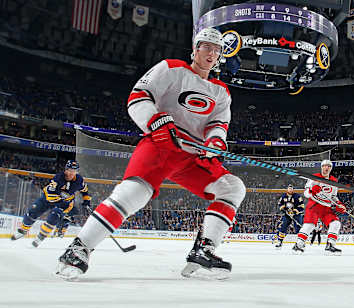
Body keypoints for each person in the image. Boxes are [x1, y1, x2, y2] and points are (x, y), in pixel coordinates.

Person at [55, 27, 246, 280]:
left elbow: (218, 124)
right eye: (206, 47)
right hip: (161, 146)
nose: (211, 53)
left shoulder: (221, 90)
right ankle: (78, 249)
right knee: (134, 192)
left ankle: (203, 252)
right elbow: (139, 96)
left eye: (216, 50)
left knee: (232, 188)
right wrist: (155, 120)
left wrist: (215, 143)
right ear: (195, 49)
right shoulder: (171, 68)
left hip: (192, 156)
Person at [11, 160, 91, 247]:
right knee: (32, 212)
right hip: (48, 198)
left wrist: (86, 202)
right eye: (70, 170)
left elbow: (85, 191)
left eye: (74, 171)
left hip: (64, 203)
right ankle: (23, 230)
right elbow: (50, 194)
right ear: (66, 170)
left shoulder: (79, 180)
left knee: (54, 217)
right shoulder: (58, 178)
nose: (72, 173)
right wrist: (61, 196)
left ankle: (40, 237)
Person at [292, 160, 345, 255]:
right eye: (324, 166)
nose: (326, 168)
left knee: (336, 223)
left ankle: (330, 245)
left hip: (326, 207)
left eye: (328, 166)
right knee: (310, 225)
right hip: (314, 205)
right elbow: (306, 193)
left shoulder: (334, 181)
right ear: (321, 167)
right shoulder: (314, 178)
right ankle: (298, 245)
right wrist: (312, 191)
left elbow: (333, 197)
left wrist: (339, 204)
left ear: (331, 168)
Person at [274, 184, 304, 249]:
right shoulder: (283, 196)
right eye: (289, 188)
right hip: (287, 214)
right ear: (287, 189)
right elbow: (280, 204)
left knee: (298, 228)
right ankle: (280, 241)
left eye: (291, 188)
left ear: (293, 189)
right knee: (283, 226)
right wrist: (284, 210)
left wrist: (295, 211)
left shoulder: (298, 196)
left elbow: (302, 206)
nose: (290, 190)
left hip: (297, 215)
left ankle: (300, 243)